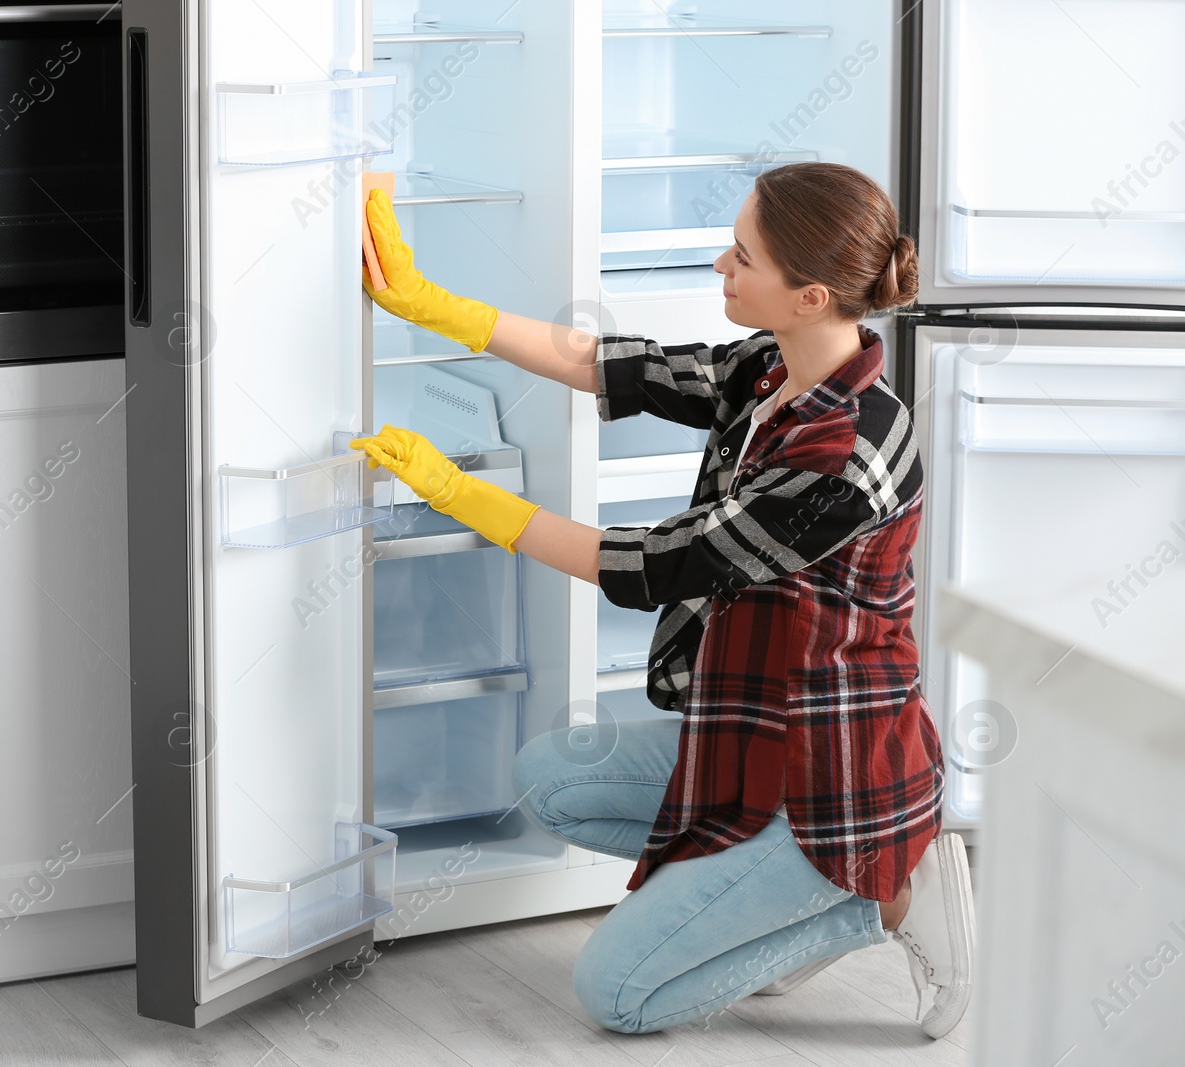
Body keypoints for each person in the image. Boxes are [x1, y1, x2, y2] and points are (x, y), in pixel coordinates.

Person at [350, 162, 975, 1039]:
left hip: (833, 779)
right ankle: (781, 895)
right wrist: (430, 303)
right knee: (552, 780)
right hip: (756, 733)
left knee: (617, 995)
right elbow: (628, 370)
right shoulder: (776, 369)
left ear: (810, 295)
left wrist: (461, 496)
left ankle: (882, 899)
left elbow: (655, 564)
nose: (722, 263)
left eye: (744, 255)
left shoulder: (842, 459)